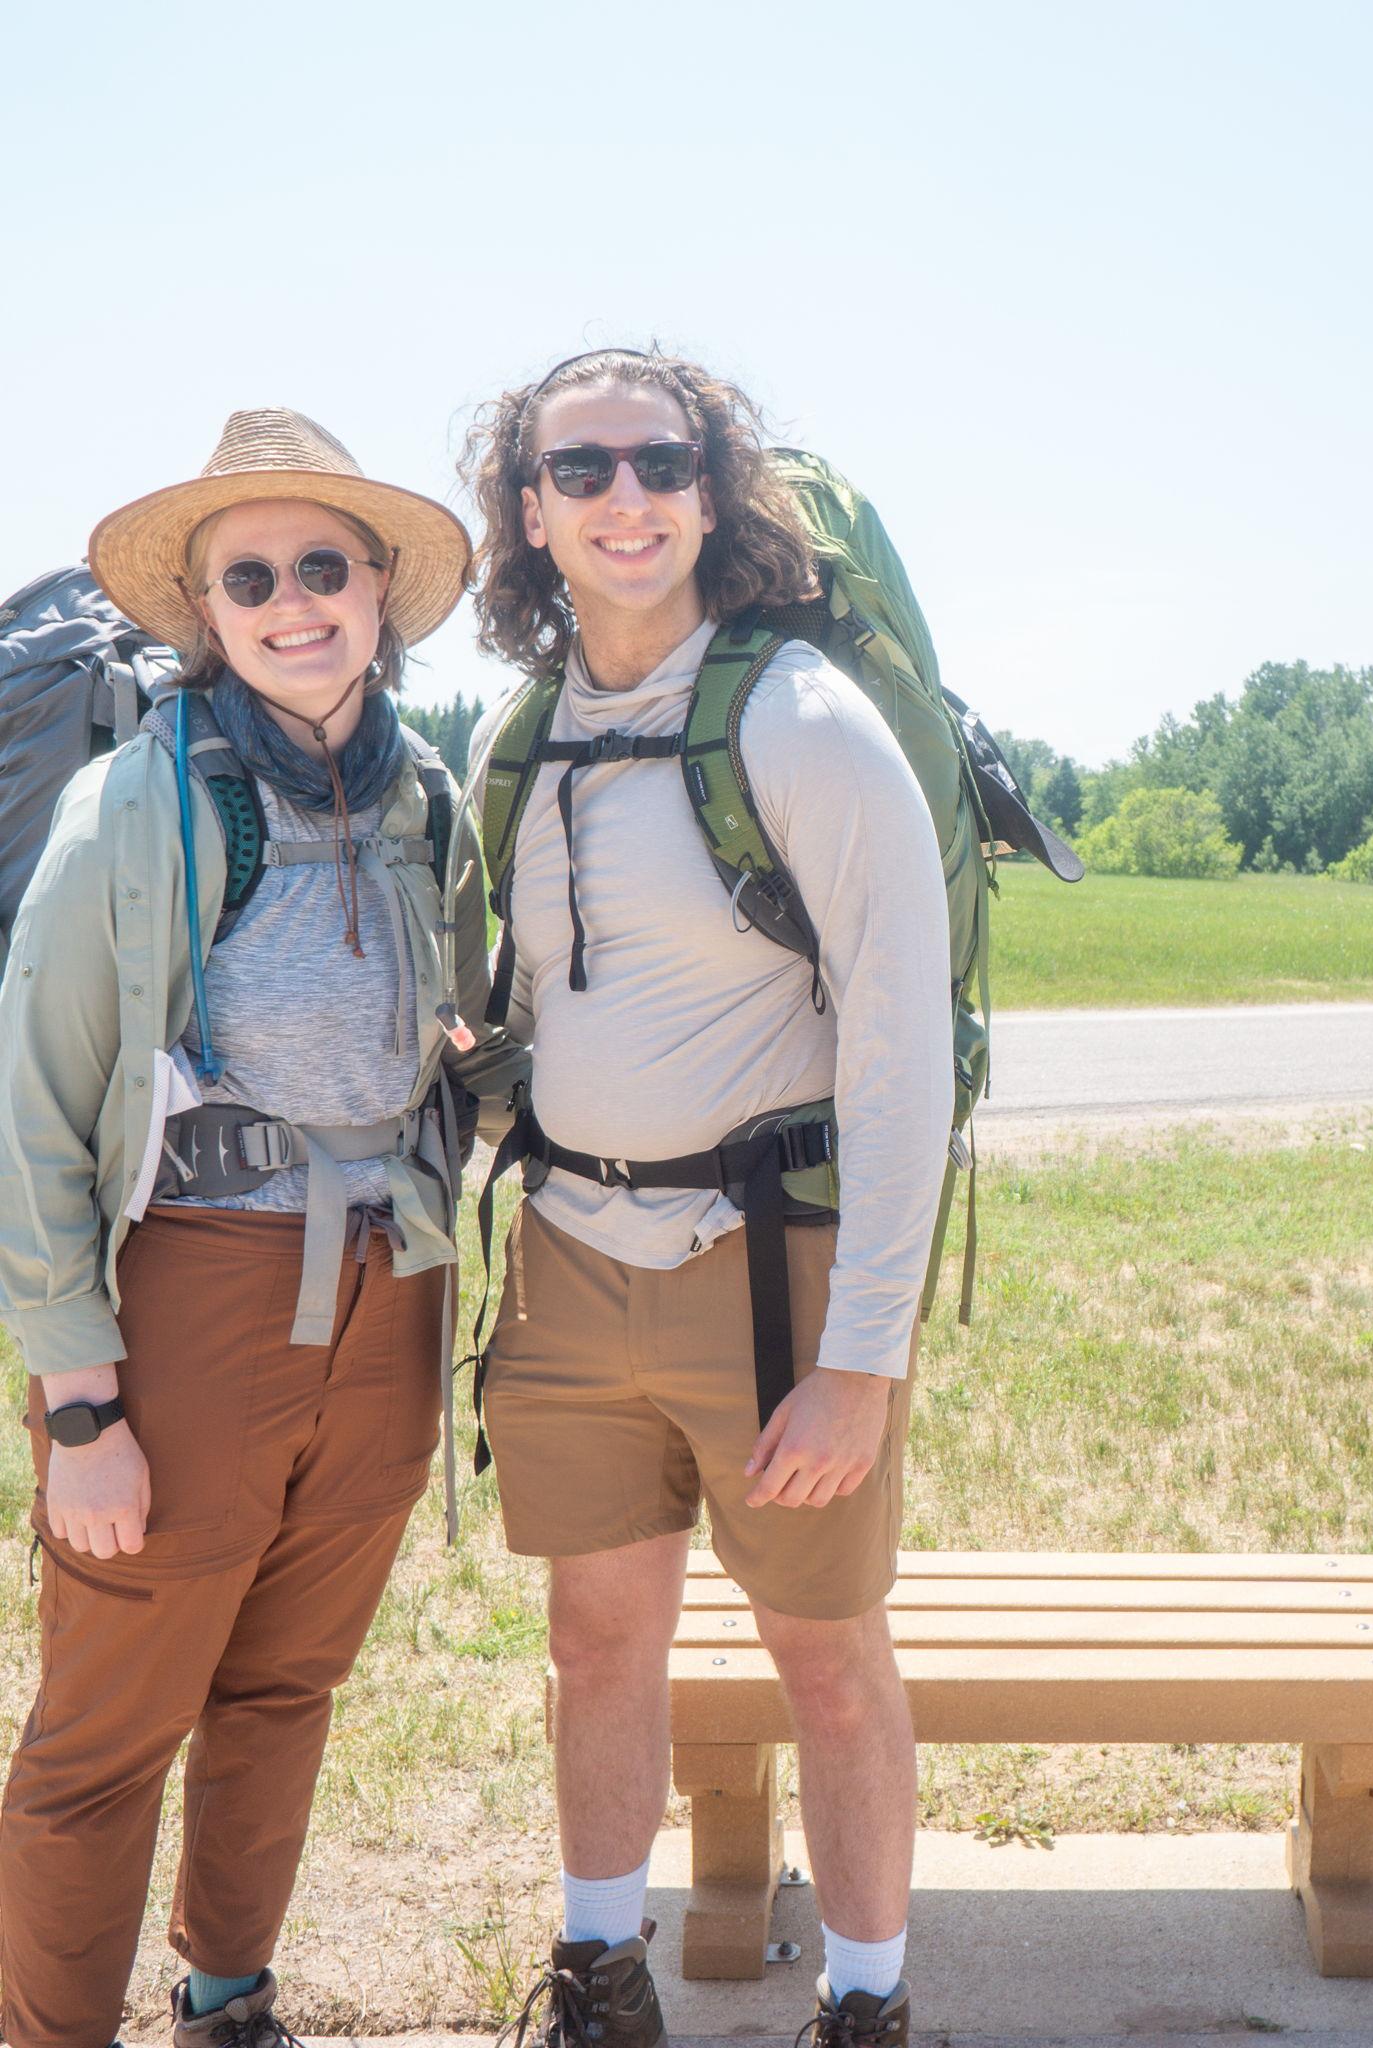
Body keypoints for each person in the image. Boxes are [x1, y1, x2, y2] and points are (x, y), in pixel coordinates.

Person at [0, 411, 524, 2048]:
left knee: (286, 1686)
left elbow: (453, 1033)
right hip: (195, 1303)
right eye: (251, 579)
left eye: (322, 567)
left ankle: (228, 1999)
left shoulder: (423, 798)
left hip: (389, 1295)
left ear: (377, 592)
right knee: (108, 1732)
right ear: (207, 613)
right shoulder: (132, 805)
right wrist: (79, 1410)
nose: (293, 603)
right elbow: (33, 1113)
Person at [461, 348, 949, 2047]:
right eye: (580, 469)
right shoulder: (520, 735)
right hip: (568, 1257)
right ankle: (601, 1979)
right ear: (529, 512)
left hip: (774, 1274)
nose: (625, 497)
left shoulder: (801, 721)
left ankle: (867, 2007)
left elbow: (900, 1056)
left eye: (661, 463)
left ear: (711, 492)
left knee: (828, 1659)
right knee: (596, 1640)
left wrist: (864, 1353)